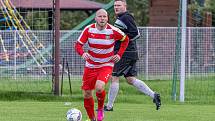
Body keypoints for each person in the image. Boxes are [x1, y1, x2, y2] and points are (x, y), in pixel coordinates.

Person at [105, 0, 161, 111]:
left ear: (124, 6)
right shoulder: (121, 18)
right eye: (115, 5)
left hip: (125, 53)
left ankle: (109, 106)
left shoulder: (126, 17)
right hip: (130, 53)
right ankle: (154, 95)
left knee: (114, 77)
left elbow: (136, 34)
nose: (116, 7)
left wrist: (122, 39)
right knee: (130, 79)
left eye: (119, 5)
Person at [74, 9, 129, 121]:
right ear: (95, 18)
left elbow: (126, 40)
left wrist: (119, 54)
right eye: (100, 16)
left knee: (99, 88)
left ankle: (100, 111)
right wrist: (83, 53)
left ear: (107, 18)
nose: (102, 18)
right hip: (90, 65)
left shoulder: (113, 30)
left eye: (105, 16)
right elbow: (78, 45)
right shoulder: (88, 29)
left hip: (106, 64)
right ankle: (92, 118)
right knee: (87, 93)